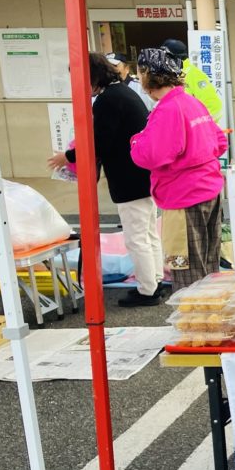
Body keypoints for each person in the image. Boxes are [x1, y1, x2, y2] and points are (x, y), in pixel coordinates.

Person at [47, 53, 165, 307]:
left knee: (136, 238)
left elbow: (99, 143)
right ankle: (154, 282)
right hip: (144, 175)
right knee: (147, 234)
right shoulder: (123, 93)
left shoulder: (108, 100)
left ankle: (147, 291)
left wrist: (67, 156)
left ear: (92, 77)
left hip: (129, 178)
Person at [130, 47, 228, 290]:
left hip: (183, 196)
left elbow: (151, 155)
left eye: (139, 73)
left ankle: (194, 315)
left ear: (148, 75)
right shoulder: (191, 102)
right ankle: (211, 311)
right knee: (208, 265)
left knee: (186, 272)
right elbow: (220, 142)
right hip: (209, 189)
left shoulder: (167, 109)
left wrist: (136, 141)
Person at [160, 39, 224, 124]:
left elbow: (214, 106)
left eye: (164, 57)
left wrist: (194, 124)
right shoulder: (170, 75)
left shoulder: (194, 74)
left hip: (199, 130)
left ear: (173, 58)